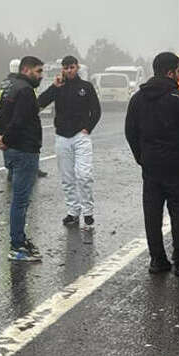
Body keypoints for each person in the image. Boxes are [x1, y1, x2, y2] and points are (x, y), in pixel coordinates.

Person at [126, 52, 179, 276]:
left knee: (152, 213)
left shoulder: (137, 98)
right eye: (178, 71)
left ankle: (157, 260)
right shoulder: (178, 98)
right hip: (177, 165)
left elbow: (130, 131)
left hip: (150, 165)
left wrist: (141, 157)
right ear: (170, 72)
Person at [37, 55, 101, 227]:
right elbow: (39, 103)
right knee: (67, 178)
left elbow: (96, 110)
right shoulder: (58, 87)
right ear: (62, 70)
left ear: (77, 67)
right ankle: (73, 212)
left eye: (71, 67)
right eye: (66, 68)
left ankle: (88, 211)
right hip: (62, 137)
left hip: (81, 136)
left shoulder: (86, 87)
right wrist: (53, 87)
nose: (69, 70)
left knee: (84, 175)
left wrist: (87, 128)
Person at [0, 56, 46, 262]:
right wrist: (6, 140)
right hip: (25, 150)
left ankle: (19, 240)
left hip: (14, 149)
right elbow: (19, 121)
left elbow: (0, 118)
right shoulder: (25, 91)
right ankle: (17, 245)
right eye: (38, 71)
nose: (41, 76)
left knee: (19, 199)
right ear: (26, 70)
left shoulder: (10, 86)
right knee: (21, 200)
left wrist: (2, 140)